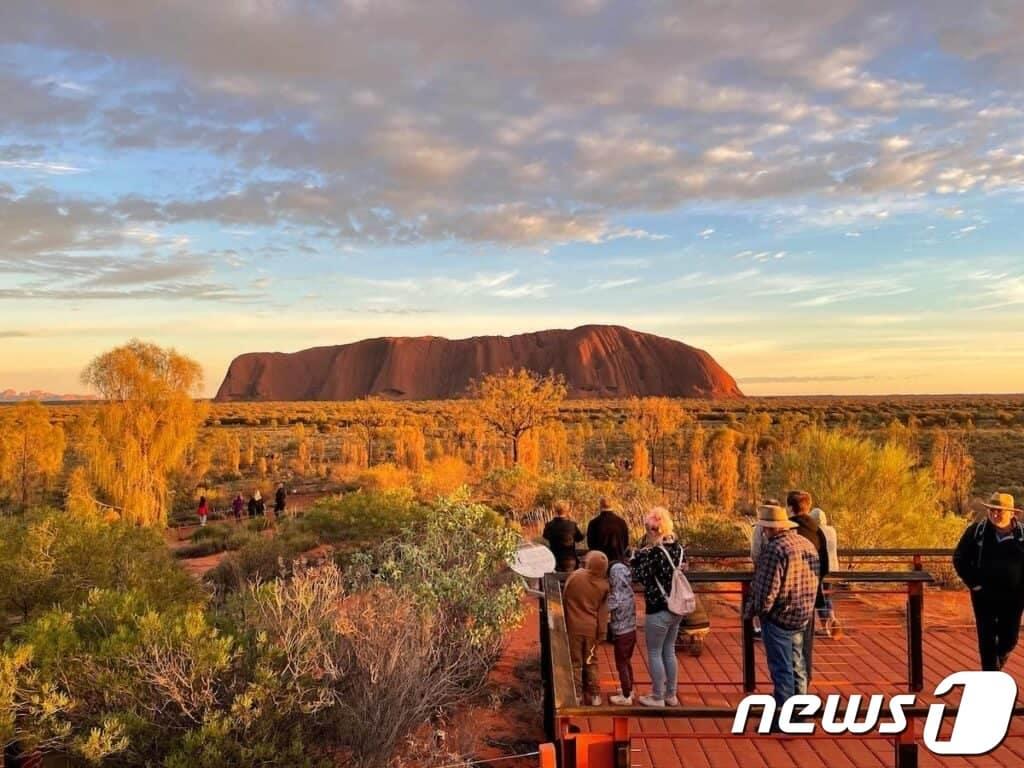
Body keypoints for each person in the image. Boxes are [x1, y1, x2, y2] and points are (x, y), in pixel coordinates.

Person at [745, 504, 820, 713]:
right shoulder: (805, 544)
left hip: (779, 617)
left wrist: (757, 612)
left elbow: (767, 591)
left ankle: (784, 718)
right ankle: (801, 713)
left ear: (767, 529)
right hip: (802, 614)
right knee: (798, 666)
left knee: (782, 669)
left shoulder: (774, 550)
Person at [953, 492, 1024, 671]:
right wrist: (974, 583)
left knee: (1010, 639)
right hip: (984, 595)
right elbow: (960, 558)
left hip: (1014, 597)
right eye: (992, 510)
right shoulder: (977, 532)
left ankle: (995, 666)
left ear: (1012, 514)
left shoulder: (1022, 536)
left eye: (999, 511)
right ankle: (990, 678)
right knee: (987, 639)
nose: (995, 514)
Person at [631, 506, 686, 707]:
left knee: (654, 652)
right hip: (677, 607)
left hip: (658, 608)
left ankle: (657, 696)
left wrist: (635, 558)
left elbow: (642, 576)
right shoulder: (679, 549)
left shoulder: (654, 553)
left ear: (654, 529)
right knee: (669, 650)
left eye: (649, 529)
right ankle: (671, 694)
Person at [787, 490, 829, 683]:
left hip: (788, 595)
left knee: (787, 645)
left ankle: (790, 690)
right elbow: (825, 564)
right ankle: (805, 683)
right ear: (808, 507)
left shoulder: (788, 531)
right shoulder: (818, 531)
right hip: (810, 594)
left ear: (790, 508)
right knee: (805, 644)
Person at [563, 551, 610, 706]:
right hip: (592, 628)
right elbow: (603, 613)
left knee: (575, 662)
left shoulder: (576, 577)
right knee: (591, 661)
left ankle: (576, 695)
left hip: (573, 627)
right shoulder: (603, 586)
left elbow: (565, 596)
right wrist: (602, 633)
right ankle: (595, 695)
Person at [607, 555, 637, 705]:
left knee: (621, 664)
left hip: (621, 633)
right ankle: (630, 689)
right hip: (631, 631)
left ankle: (625, 696)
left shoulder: (616, 596)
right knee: (627, 661)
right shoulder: (630, 592)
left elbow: (605, 607)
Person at [810, 507, 843, 638]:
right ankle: (833, 620)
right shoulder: (832, 530)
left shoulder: (816, 532)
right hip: (833, 569)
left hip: (821, 570)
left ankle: (826, 627)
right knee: (827, 596)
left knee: (820, 597)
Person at [542, 500, 585, 572]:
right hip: (570, 560)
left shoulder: (549, 525)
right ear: (567, 510)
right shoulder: (572, 525)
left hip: (554, 559)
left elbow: (545, 536)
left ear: (555, 510)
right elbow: (579, 538)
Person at [587, 497, 630, 563]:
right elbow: (626, 543)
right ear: (612, 505)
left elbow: (590, 544)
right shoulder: (622, 522)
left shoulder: (593, 523)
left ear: (600, 505)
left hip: (600, 562)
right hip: (618, 561)